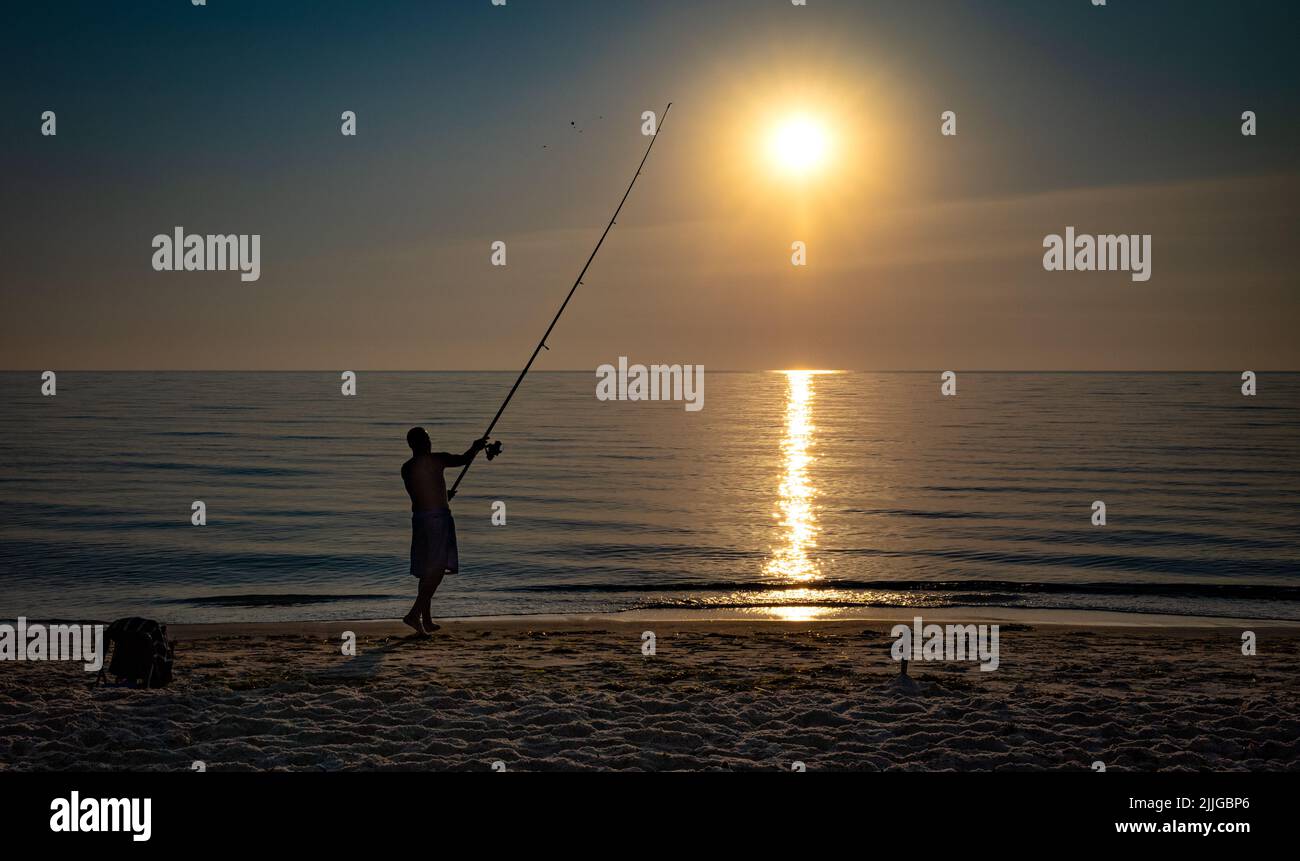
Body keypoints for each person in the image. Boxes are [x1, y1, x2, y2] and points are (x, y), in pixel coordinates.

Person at [400, 427, 486, 635]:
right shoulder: (436, 460)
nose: (429, 443)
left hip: (420, 519)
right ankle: (414, 614)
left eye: (428, 439)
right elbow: (463, 460)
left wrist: (443, 495)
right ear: (417, 444)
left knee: (427, 569)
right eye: (426, 440)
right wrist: (476, 447)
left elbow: (420, 492)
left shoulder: (407, 467)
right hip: (437, 519)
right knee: (437, 569)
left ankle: (426, 620)